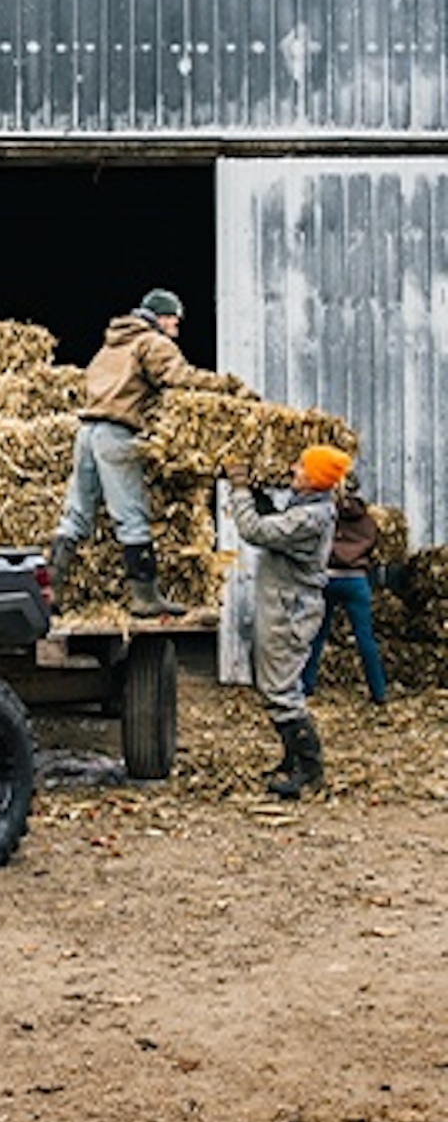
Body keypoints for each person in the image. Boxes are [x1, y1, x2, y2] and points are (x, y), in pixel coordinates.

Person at [49, 288, 251, 616]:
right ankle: (144, 597)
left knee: (76, 515)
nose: (177, 326)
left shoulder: (112, 345)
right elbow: (176, 376)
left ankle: (49, 591)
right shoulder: (152, 342)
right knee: (132, 515)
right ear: (161, 317)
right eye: (174, 319)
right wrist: (224, 384)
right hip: (116, 433)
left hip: (86, 433)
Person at [223, 444, 353, 800]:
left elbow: (255, 530)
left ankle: (309, 772)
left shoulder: (310, 518)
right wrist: (258, 495)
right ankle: (293, 760)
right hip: (285, 606)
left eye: (301, 467)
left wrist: (239, 490)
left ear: (315, 479)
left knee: (280, 689)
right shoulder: (306, 508)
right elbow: (272, 524)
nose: (294, 469)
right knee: (274, 685)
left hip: (289, 611)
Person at [301, 476, 388, 705]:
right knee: (365, 637)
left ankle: (306, 686)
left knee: (317, 634)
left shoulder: (327, 514)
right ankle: (378, 691)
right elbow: (375, 549)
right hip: (356, 581)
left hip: (328, 578)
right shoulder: (368, 521)